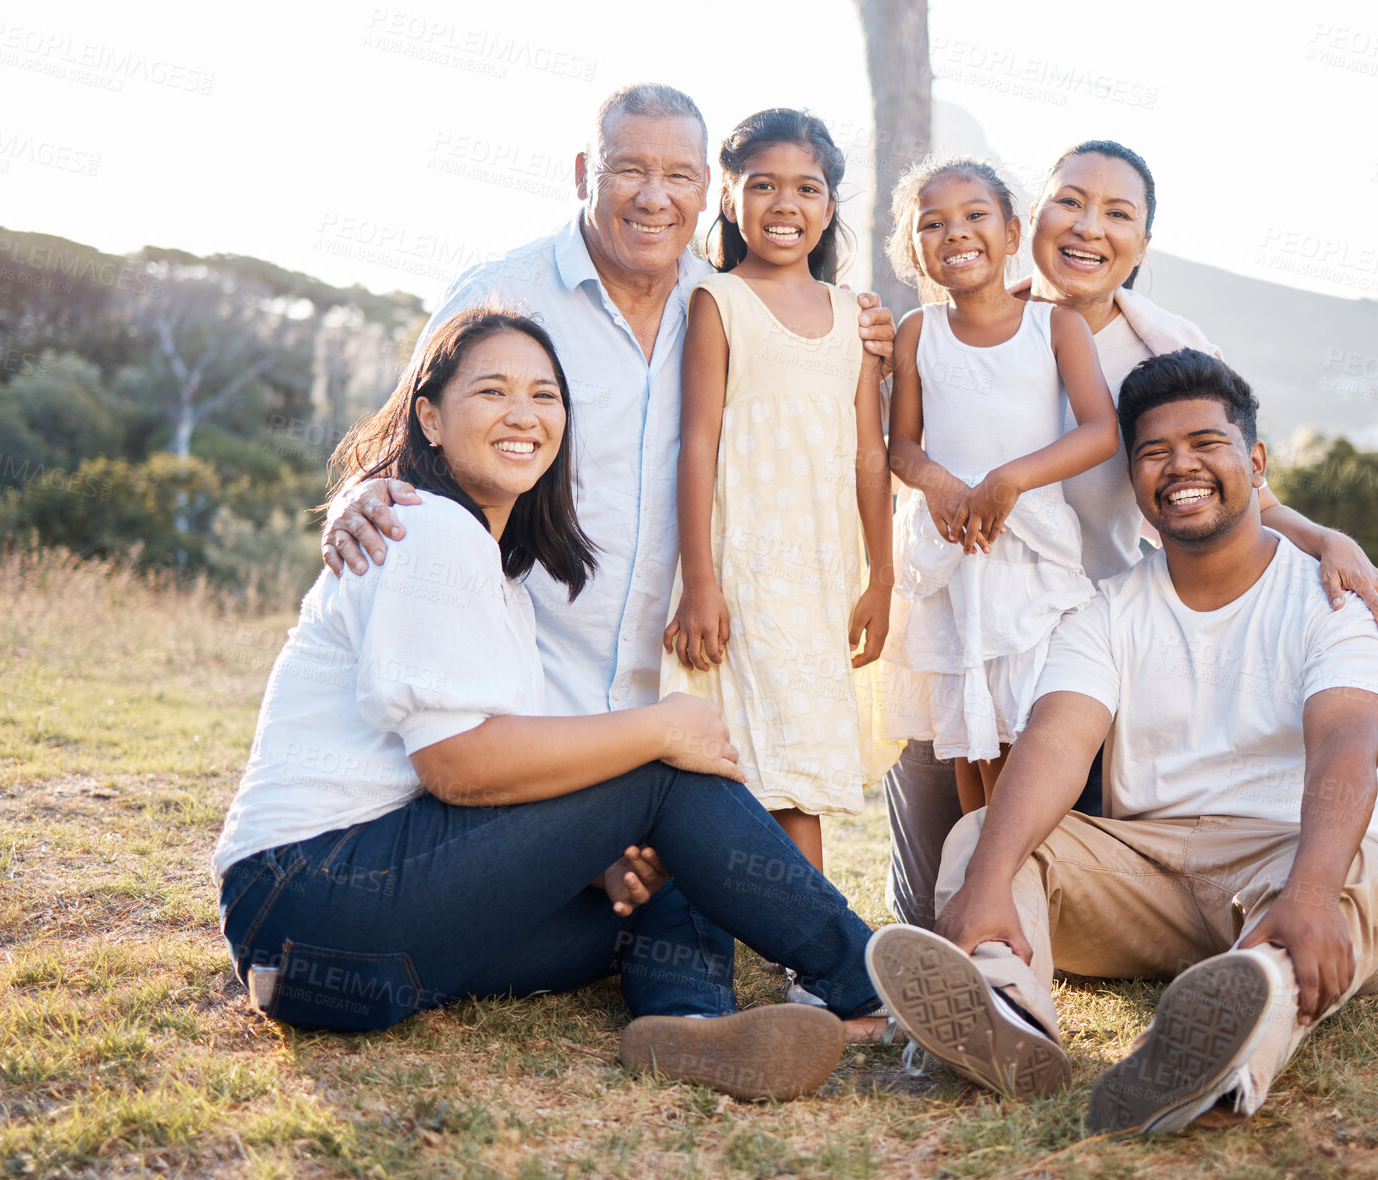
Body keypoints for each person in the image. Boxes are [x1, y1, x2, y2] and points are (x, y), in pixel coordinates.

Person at [317, 84, 895, 1021]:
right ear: (587, 174)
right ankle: (865, 981)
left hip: (670, 695)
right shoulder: (504, 291)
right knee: (662, 827)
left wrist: (877, 332)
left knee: (680, 876)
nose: (651, 196)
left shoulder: (730, 306)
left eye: (676, 175)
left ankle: (692, 1028)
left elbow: (831, 394)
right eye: (628, 169)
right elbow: (402, 441)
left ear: (705, 189)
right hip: (526, 722)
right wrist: (354, 496)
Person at [215, 309, 886, 1102]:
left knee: (664, 872)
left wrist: (597, 861)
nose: (524, 414)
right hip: (316, 884)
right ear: (428, 416)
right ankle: (871, 981)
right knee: (664, 767)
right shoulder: (428, 532)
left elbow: (499, 777)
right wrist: (661, 727)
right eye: (491, 391)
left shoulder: (497, 576)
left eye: (545, 395)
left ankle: (694, 1025)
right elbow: (458, 767)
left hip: (334, 958)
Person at [866, 349, 1378, 1132]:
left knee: (1357, 870)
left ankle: (1227, 1046)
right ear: (1135, 482)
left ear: (1256, 463)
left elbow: (1345, 748)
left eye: (1205, 444)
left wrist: (1310, 893)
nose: (1180, 466)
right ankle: (1005, 1011)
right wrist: (989, 877)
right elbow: (1057, 740)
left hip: (1293, 855)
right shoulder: (1107, 611)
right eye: (1154, 453)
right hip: (1148, 866)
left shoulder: (1341, 598)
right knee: (990, 835)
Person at [881, 140, 1378, 933]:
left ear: (1143, 242)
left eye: (1117, 213)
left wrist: (1323, 535)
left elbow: (1226, 482)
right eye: (1070, 201)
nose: (1088, 226)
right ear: (1031, 218)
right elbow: (903, 433)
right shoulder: (974, 318)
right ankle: (947, 945)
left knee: (1047, 819)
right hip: (967, 605)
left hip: (1089, 628)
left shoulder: (1169, 350)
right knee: (942, 867)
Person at [664, 109, 897, 875]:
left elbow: (871, 452)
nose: (785, 204)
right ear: (729, 197)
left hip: (823, 567)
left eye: (807, 187)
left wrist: (881, 574)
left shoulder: (853, 316)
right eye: (762, 185)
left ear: (831, 207)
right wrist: (700, 579)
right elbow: (697, 440)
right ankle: (717, 923)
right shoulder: (718, 300)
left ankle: (808, 948)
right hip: (741, 561)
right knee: (734, 743)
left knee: (800, 757)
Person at [878, 157, 1118, 813]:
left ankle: (1025, 888)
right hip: (954, 563)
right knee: (971, 741)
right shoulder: (918, 332)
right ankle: (975, 890)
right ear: (916, 251)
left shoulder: (1054, 327)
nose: (955, 233)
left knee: (1031, 736)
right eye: (933, 224)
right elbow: (901, 446)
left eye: (974, 216)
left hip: (1029, 562)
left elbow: (1100, 430)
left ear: (1013, 235)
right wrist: (937, 482)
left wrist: (1010, 480)